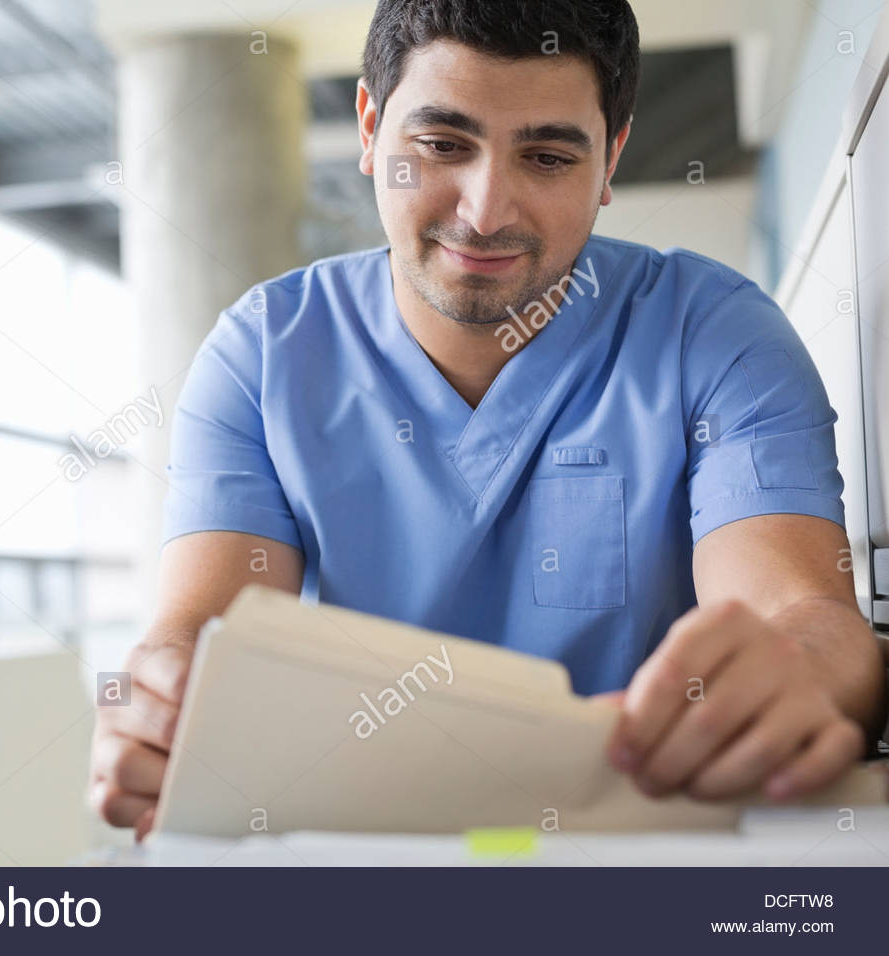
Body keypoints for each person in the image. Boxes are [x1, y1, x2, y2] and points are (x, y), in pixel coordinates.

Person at [89, 0, 888, 840]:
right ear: (370, 127)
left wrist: (799, 675)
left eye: (547, 157)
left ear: (610, 159)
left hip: (645, 846)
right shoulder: (261, 355)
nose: (485, 212)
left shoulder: (716, 335)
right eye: (442, 145)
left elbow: (804, 616)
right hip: (366, 848)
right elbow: (199, 635)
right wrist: (160, 700)